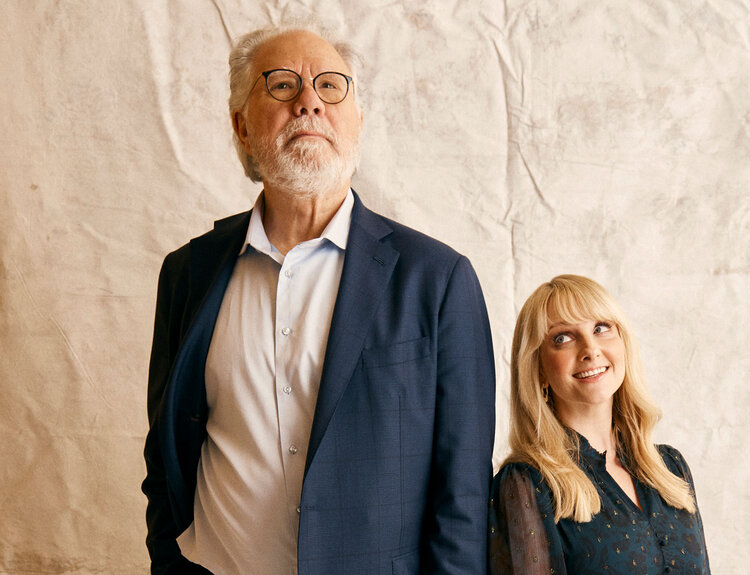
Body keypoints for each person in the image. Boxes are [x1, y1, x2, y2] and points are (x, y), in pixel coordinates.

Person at [142, 22, 495, 575]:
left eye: (331, 86)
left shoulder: (439, 280)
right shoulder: (188, 273)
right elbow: (165, 453)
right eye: (281, 85)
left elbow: (464, 498)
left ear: (356, 119)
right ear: (241, 124)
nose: (309, 101)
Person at [489, 275, 709, 574]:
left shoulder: (671, 467)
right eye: (562, 338)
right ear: (538, 368)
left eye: (601, 328)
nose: (590, 349)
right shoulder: (527, 483)